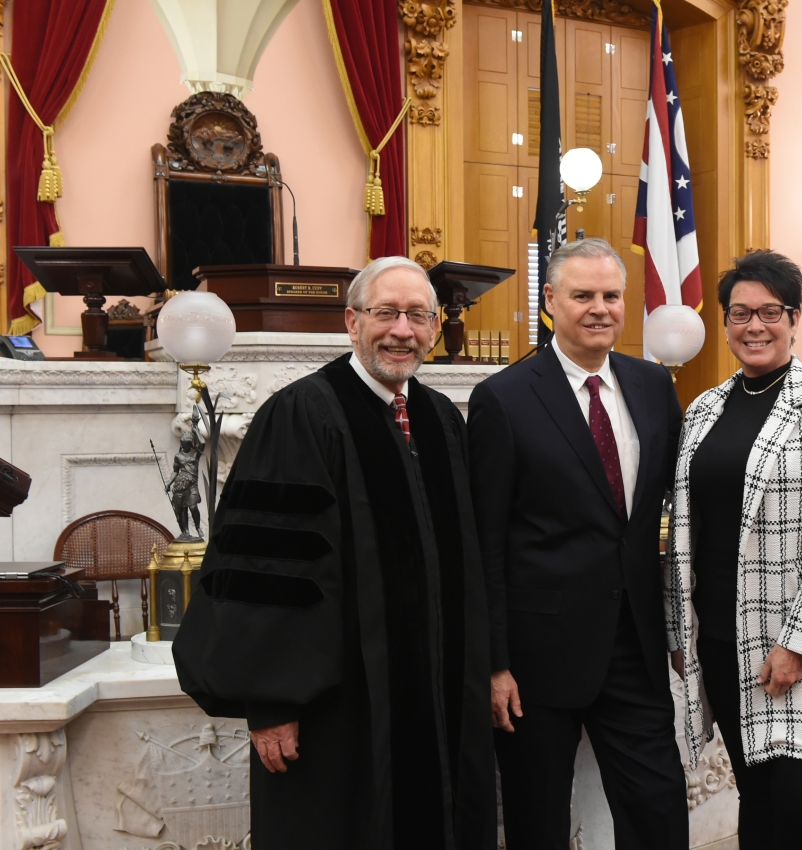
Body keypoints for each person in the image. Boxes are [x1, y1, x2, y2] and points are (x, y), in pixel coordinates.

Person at [173, 257, 496, 850]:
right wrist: (269, 699)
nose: (403, 330)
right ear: (352, 322)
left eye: (418, 316)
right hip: (339, 712)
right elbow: (265, 568)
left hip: (440, 696)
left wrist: (489, 665)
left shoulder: (440, 418)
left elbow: (468, 565)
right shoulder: (301, 415)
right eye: (386, 313)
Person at [467, 237, 687, 850]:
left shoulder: (651, 387)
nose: (600, 308)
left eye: (612, 296)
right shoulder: (503, 399)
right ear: (550, 301)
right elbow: (484, 539)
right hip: (536, 658)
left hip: (635, 647)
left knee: (659, 810)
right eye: (583, 295)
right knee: (538, 820)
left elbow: (666, 514)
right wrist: (495, 662)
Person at [665, 250, 802, 850]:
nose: (754, 326)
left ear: (795, 317)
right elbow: (685, 530)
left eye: (770, 312)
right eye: (740, 314)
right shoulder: (704, 409)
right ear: (725, 323)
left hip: (792, 644)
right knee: (753, 800)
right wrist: (682, 630)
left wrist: (796, 643)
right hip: (723, 641)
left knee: (800, 809)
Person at [168, 433, 203, 539]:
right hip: (180, 484)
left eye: (186, 444)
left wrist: (196, 429)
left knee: (193, 507)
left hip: (192, 485)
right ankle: (186, 531)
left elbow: (203, 443)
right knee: (183, 509)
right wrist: (169, 483)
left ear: (189, 443)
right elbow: (175, 471)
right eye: (182, 444)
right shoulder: (178, 456)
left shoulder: (195, 454)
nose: (184, 446)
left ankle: (198, 527)